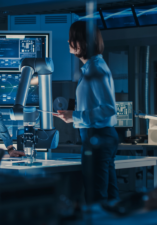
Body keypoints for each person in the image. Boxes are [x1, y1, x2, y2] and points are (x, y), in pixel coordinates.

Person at [54, 21, 119, 202]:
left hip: (98, 137)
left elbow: (108, 108)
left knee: (96, 197)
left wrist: (75, 116)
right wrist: (72, 118)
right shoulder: (92, 67)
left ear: (82, 43)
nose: (68, 42)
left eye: (72, 38)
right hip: (100, 136)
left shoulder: (96, 68)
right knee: (110, 196)